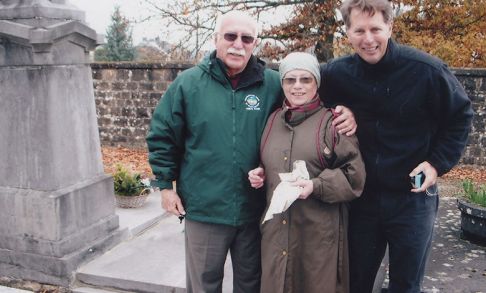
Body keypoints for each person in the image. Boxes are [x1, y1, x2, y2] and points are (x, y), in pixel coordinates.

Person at [146, 10, 356, 293]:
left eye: (247, 38)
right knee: (203, 285)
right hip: (205, 208)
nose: (238, 44)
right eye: (230, 36)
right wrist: (164, 185)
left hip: (255, 210)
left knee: (252, 285)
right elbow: (162, 135)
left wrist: (347, 113)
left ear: (255, 43)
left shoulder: (271, 83)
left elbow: (307, 102)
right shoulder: (189, 84)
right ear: (216, 39)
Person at [319, 0, 474, 292]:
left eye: (375, 29)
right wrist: (338, 110)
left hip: (412, 197)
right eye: (359, 30)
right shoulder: (336, 75)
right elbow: (311, 107)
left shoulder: (426, 70)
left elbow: (460, 116)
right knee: (354, 282)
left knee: (406, 284)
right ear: (347, 32)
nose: (368, 39)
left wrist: (436, 163)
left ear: (390, 26)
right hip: (361, 198)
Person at [248, 52, 366, 293]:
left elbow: (355, 177)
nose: (298, 86)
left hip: (317, 239)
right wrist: (260, 173)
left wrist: (316, 185)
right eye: (290, 80)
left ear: (317, 83)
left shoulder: (334, 123)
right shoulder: (271, 121)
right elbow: (266, 160)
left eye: (306, 79)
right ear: (282, 83)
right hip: (275, 236)